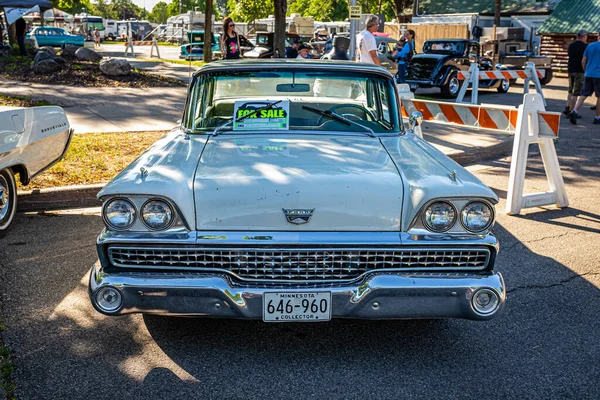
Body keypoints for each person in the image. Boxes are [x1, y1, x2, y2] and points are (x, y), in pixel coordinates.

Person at [570, 33, 600, 124]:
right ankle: (597, 117)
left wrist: (586, 70)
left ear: (598, 37)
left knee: (584, 94)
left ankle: (574, 110)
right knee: (599, 96)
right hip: (598, 75)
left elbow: (583, 60)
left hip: (588, 74)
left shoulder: (590, 46)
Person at [563, 30, 588, 117]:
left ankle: (567, 106)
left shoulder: (571, 45)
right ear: (584, 37)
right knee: (576, 92)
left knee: (570, 89)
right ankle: (572, 111)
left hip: (571, 69)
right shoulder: (585, 46)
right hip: (579, 70)